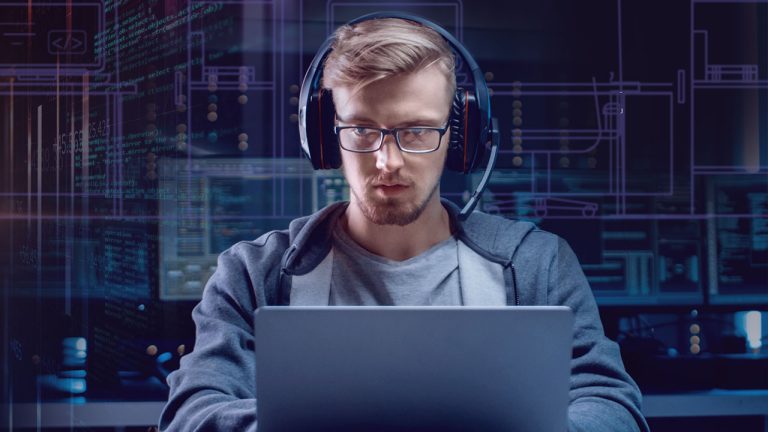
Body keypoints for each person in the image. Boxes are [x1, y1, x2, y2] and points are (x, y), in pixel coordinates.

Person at [160, 15, 650, 432]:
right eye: (362, 130)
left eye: (416, 130)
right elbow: (194, 411)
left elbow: (610, 405)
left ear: (460, 140)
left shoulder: (535, 263)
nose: (387, 160)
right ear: (325, 138)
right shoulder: (253, 274)